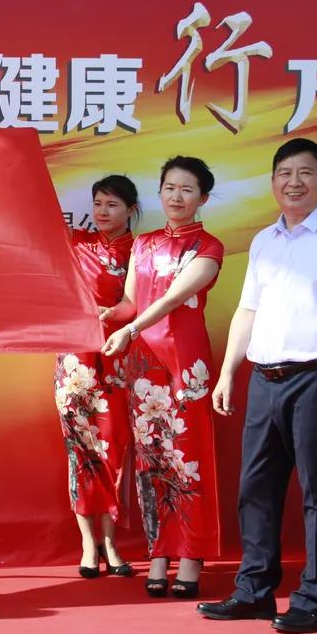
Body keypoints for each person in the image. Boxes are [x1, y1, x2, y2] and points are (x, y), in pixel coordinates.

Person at [198, 138, 317, 633]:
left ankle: (314, 600)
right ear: (273, 182)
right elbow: (247, 310)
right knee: (255, 488)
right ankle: (254, 590)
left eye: (304, 173)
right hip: (265, 378)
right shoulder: (264, 241)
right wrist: (228, 372)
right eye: (284, 173)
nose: (293, 182)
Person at [102, 156, 223, 599]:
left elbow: (173, 299)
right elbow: (130, 304)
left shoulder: (209, 247)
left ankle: (191, 555)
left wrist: (130, 329)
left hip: (185, 365)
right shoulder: (145, 244)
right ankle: (158, 553)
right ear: (159, 193)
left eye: (187, 190)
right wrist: (103, 315)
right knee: (151, 459)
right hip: (144, 367)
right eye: (170, 188)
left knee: (188, 458)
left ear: (202, 198)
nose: (176, 196)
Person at [55, 175, 138, 579]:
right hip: (75, 363)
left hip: (119, 360)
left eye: (112, 204)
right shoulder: (76, 243)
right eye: (98, 203)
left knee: (114, 451)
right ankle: (89, 544)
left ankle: (111, 541)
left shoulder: (142, 250)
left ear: (131, 210)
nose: (103, 212)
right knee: (81, 454)